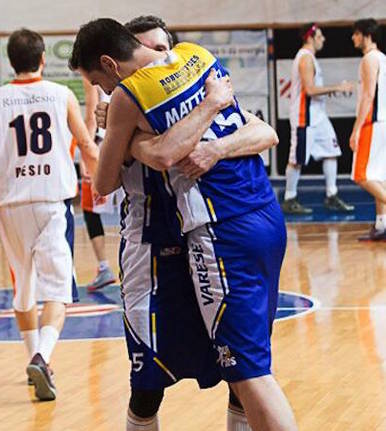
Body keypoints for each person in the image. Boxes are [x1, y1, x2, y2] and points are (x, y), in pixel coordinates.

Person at [70, 18, 297, 431]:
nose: (159, 57)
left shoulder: (130, 95)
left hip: (219, 227)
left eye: (162, 48)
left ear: (111, 62)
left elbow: (173, 153)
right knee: (154, 381)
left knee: (244, 369)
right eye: (150, 49)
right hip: (174, 235)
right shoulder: (197, 61)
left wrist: (131, 138)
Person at [0, 28, 99, 401]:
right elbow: (87, 144)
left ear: (10, 61)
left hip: (10, 204)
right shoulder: (61, 95)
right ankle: (43, 356)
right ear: (43, 58)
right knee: (58, 290)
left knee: (23, 286)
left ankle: (33, 360)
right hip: (51, 202)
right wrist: (102, 176)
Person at [281, 23, 355, 214]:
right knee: (297, 159)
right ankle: (289, 198)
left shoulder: (310, 58)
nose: (323, 39)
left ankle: (331, 195)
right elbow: (311, 90)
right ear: (310, 37)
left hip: (318, 115)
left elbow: (314, 91)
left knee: (331, 151)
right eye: (320, 36)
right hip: (305, 117)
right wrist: (337, 88)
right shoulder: (305, 58)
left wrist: (329, 92)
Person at [78, 78, 118, 291]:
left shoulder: (91, 74)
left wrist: (87, 153)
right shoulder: (123, 63)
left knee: (90, 208)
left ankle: (104, 266)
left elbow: (92, 117)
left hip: (102, 146)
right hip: (126, 139)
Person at [350, 18, 386, 241]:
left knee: (361, 175)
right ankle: (382, 225)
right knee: (379, 177)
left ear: (365, 34)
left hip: (372, 123)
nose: (353, 38)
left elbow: (368, 96)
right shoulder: (383, 57)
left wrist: (356, 129)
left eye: (355, 34)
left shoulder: (369, 59)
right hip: (383, 123)